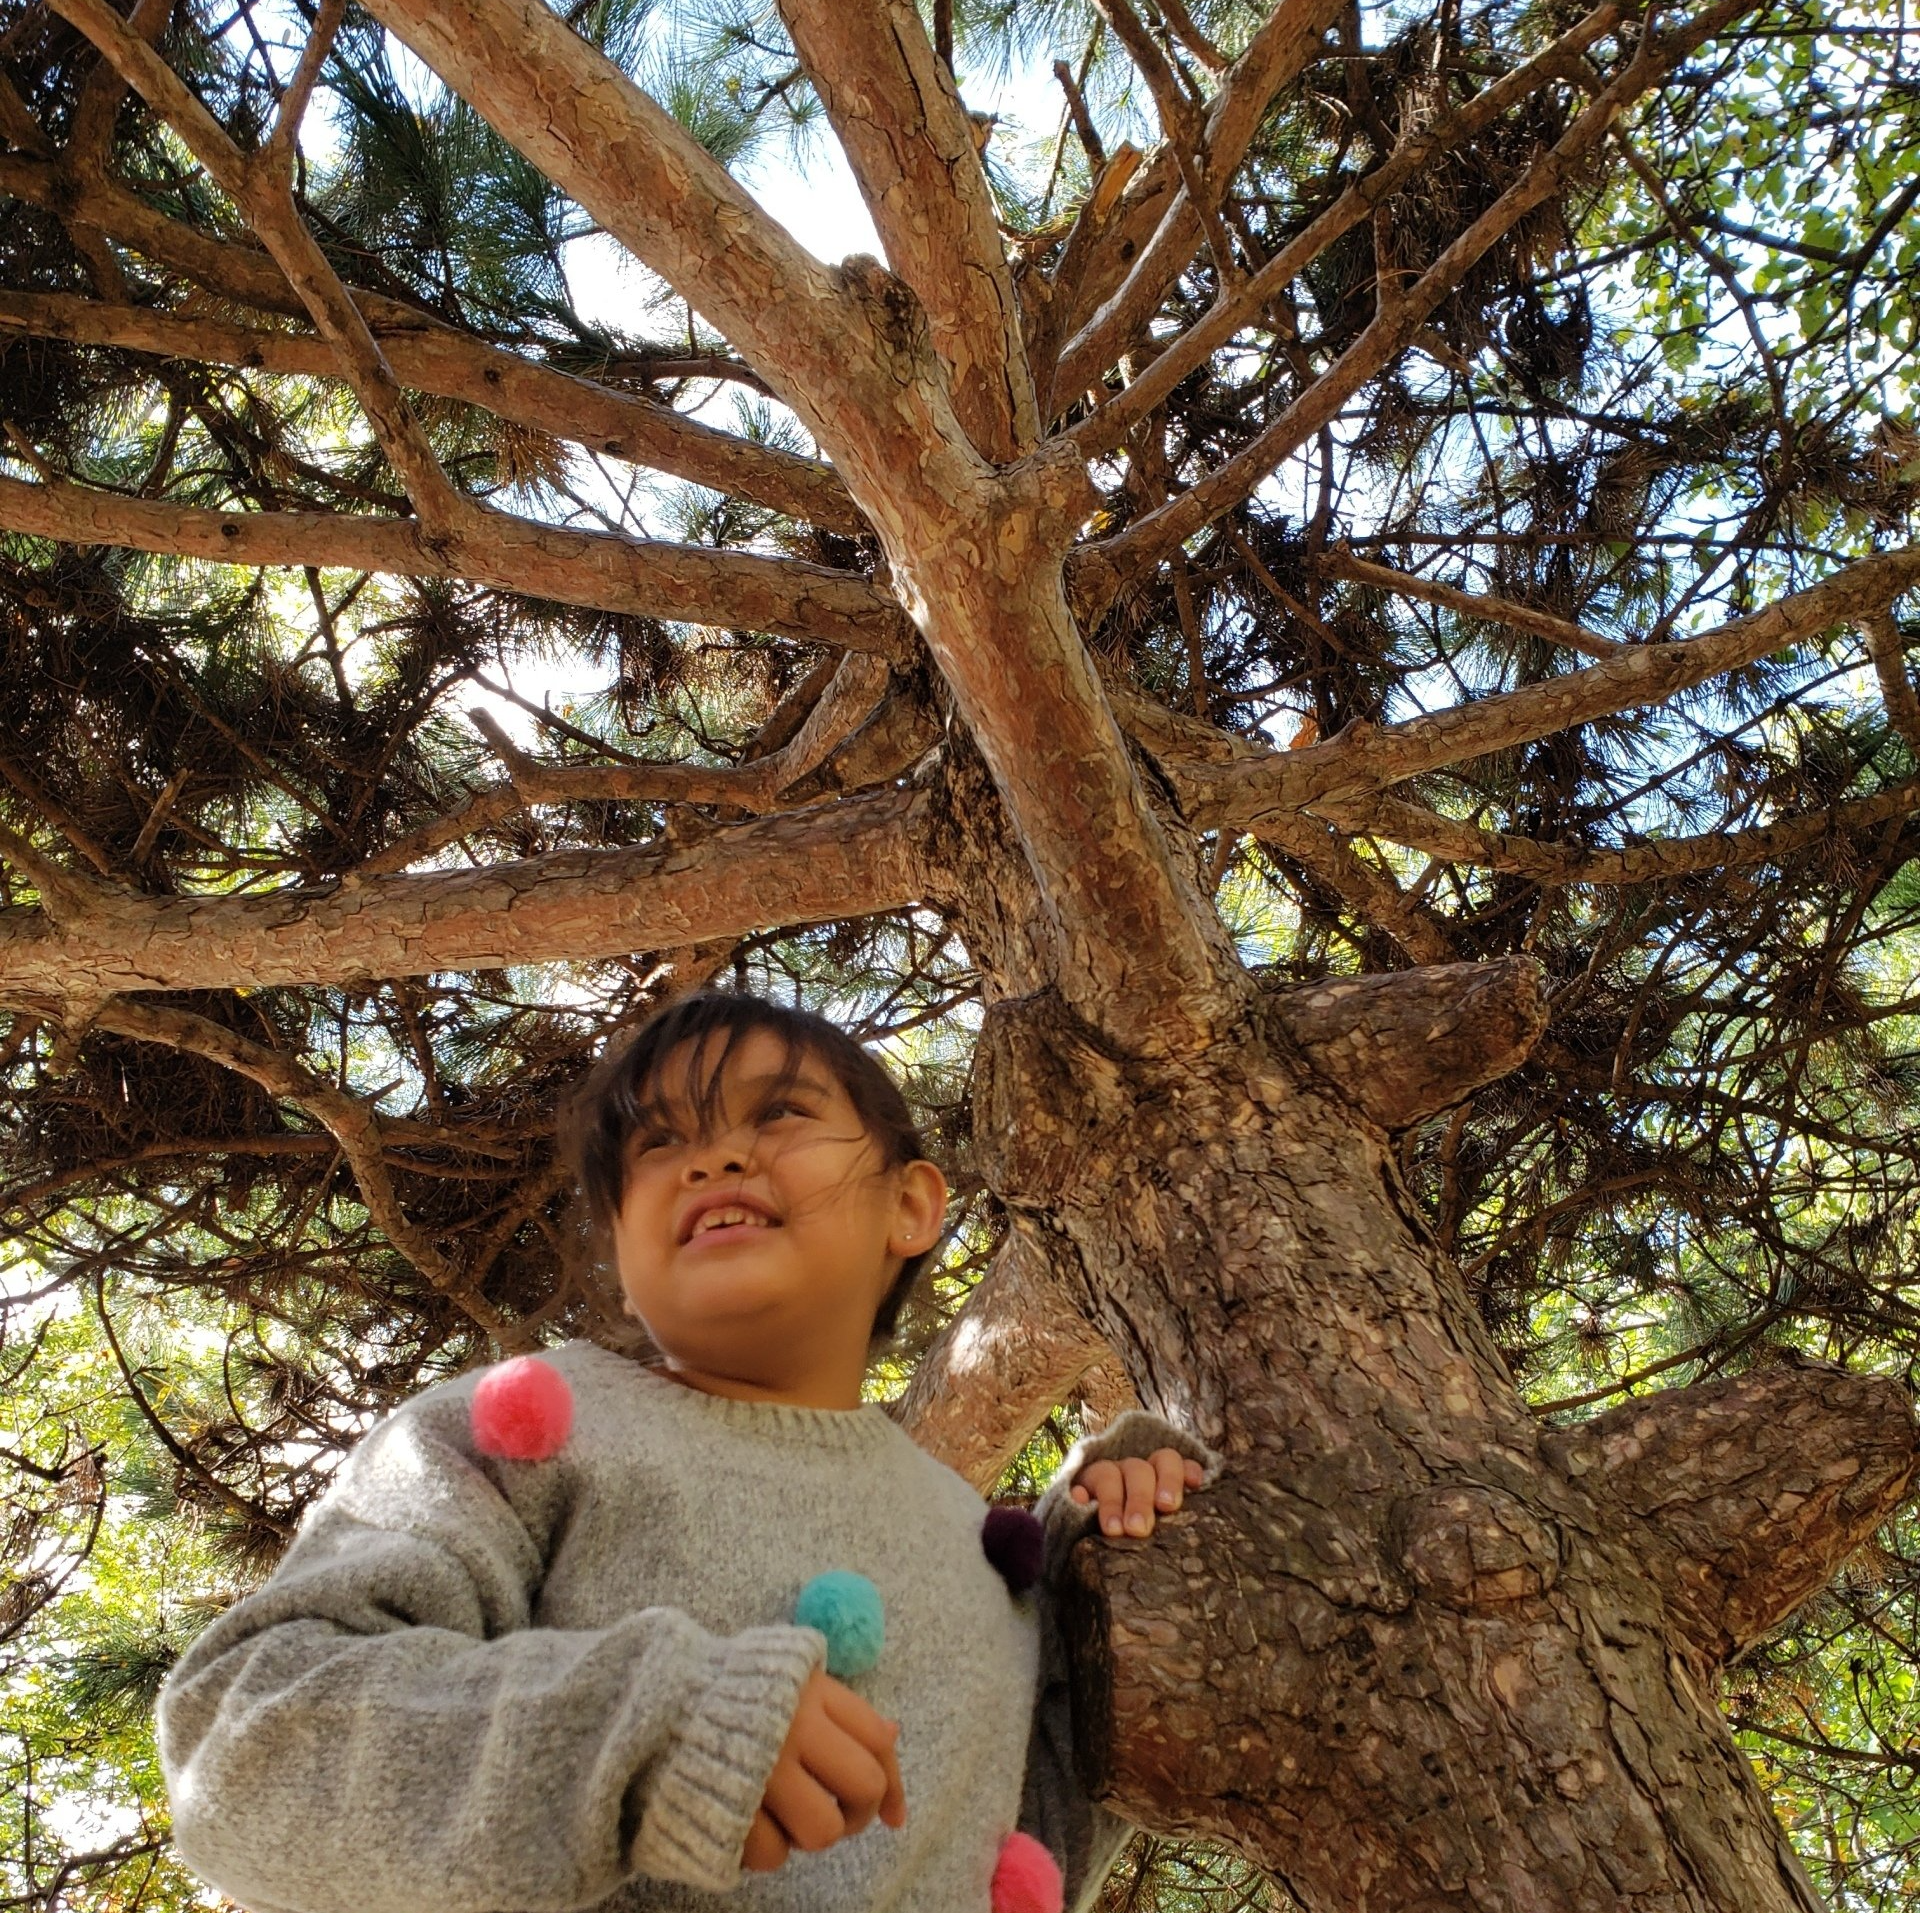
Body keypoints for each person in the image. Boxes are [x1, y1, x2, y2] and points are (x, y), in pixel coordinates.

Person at [155, 989, 1221, 1913]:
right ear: (622, 1256)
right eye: (657, 1142)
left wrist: (1104, 1544)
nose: (711, 1154)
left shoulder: (979, 1544)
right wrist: (649, 1728)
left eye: (779, 1110)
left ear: (911, 1204)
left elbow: (1034, 1844)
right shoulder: (535, 1423)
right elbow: (243, 1738)